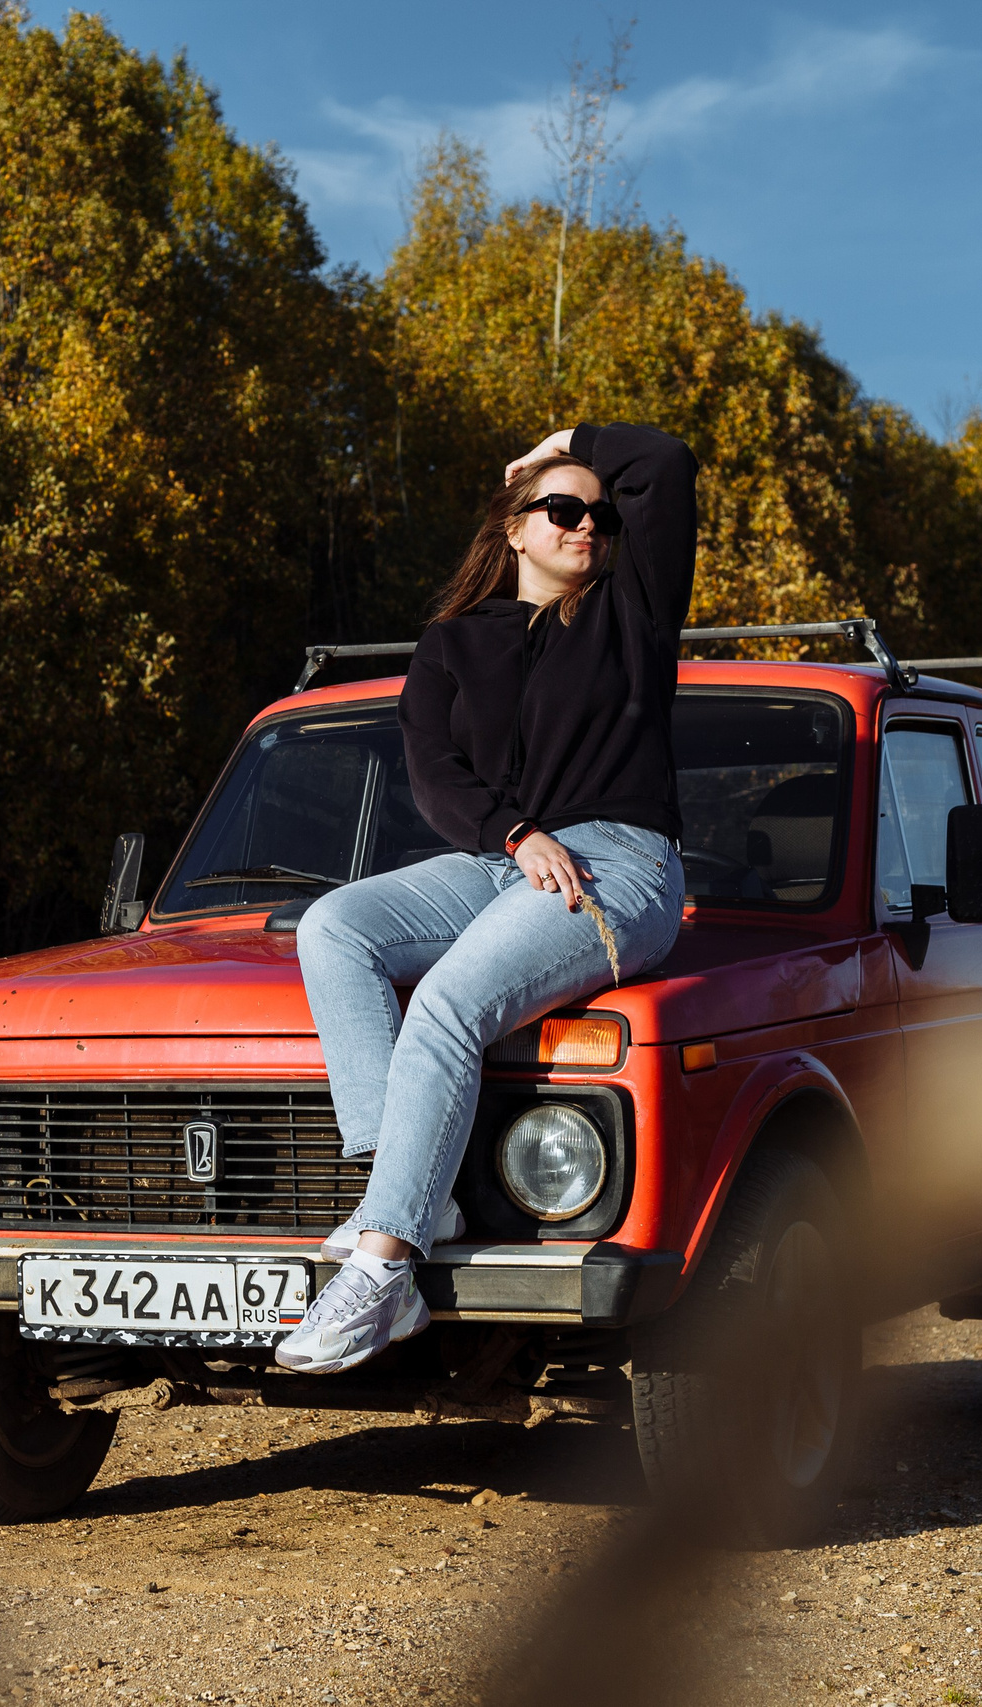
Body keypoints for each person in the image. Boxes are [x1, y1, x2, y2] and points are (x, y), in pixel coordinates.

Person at [276, 423, 696, 1373]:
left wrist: (565, 442)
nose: (587, 523)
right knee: (336, 925)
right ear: (513, 529)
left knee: (450, 1002)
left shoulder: (631, 610)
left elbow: (664, 464)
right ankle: (414, 1187)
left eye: (600, 512)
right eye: (562, 508)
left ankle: (384, 1267)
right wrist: (515, 834)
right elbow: (433, 773)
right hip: (495, 859)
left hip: (619, 865)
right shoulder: (452, 643)